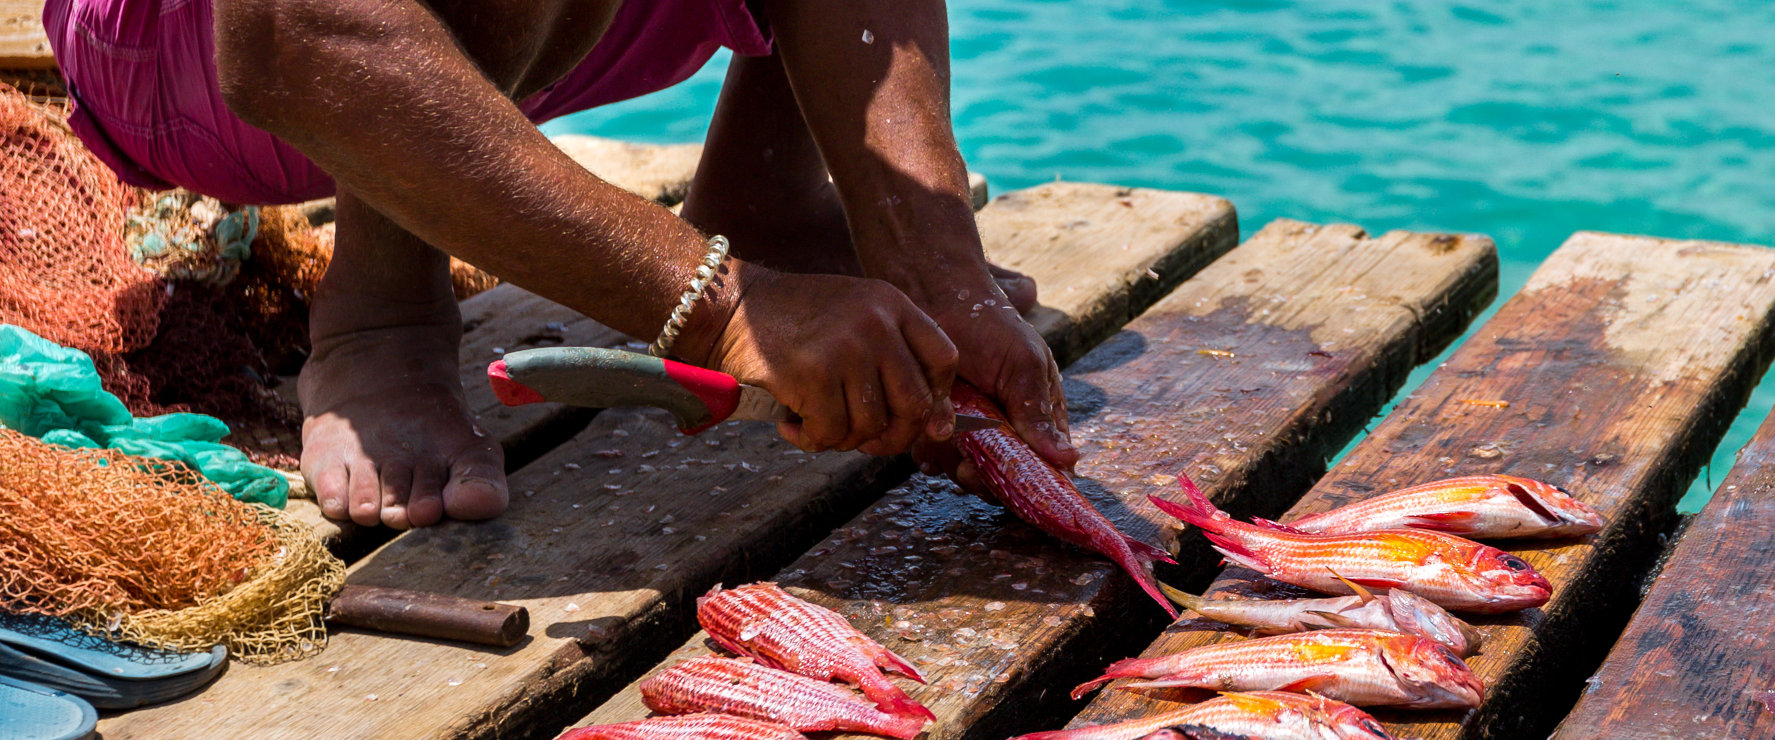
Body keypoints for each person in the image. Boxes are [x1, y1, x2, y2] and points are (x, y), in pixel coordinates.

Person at [39, 0, 1080, 529]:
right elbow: (284, 37)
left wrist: (940, 267)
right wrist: (727, 308)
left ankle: (775, 199)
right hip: (224, 60)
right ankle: (382, 307)